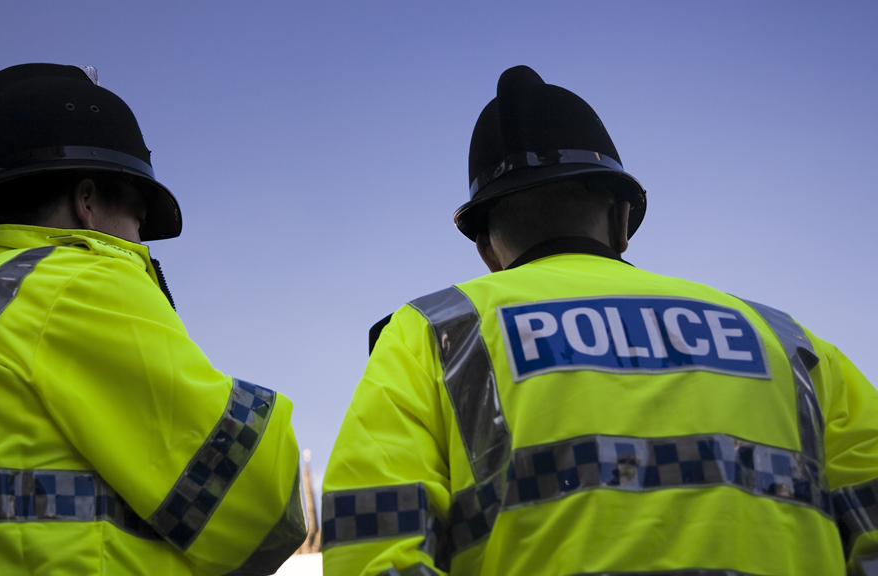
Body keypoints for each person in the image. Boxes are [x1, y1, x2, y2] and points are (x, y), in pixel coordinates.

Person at [320, 65, 878, 576]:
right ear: (621, 217)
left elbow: (373, 545)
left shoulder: (434, 334)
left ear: (487, 247)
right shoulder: (788, 341)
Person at [0, 63, 306, 575]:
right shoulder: (74, 284)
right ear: (87, 201)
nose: (140, 241)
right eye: (138, 217)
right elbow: (263, 507)